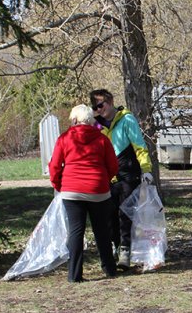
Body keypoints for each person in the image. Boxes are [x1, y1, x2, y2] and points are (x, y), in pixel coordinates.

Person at [49, 104, 119, 283]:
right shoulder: (102, 139)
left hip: (72, 190)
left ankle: (74, 274)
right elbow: (113, 166)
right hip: (98, 190)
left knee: (76, 232)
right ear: (90, 121)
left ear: (74, 120)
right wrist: (103, 179)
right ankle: (110, 269)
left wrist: (58, 184)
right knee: (102, 230)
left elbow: (55, 166)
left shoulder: (65, 138)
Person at [89, 89, 153, 268]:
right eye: (95, 107)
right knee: (109, 214)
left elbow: (139, 146)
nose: (99, 109)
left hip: (127, 174)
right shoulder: (97, 126)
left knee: (125, 213)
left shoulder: (126, 120)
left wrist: (146, 169)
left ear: (110, 101)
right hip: (107, 176)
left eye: (101, 105)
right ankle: (116, 246)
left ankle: (125, 250)